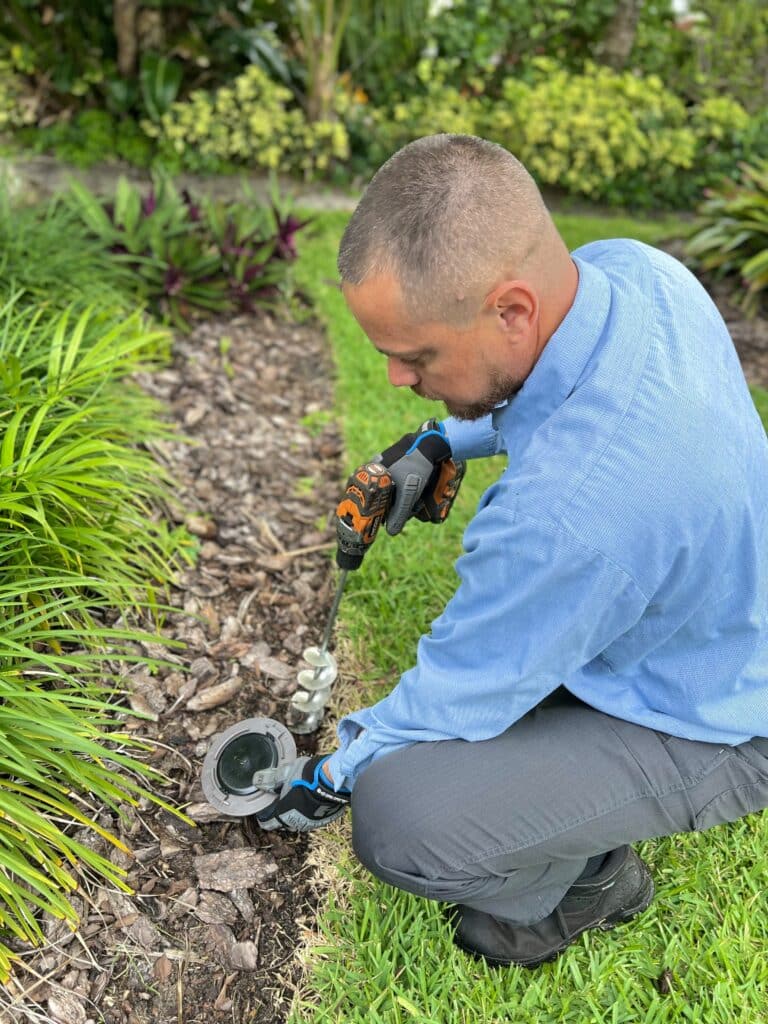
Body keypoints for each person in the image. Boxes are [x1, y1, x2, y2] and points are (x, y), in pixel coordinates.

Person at [256, 133, 768, 969]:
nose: (392, 378)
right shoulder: (642, 274)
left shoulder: (569, 512)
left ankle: (594, 879)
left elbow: (453, 700)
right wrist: (443, 440)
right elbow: (555, 383)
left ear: (511, 310)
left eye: (414, 356)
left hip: (724, 717)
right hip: (710, 608)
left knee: (404, 819)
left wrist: (329, 775)